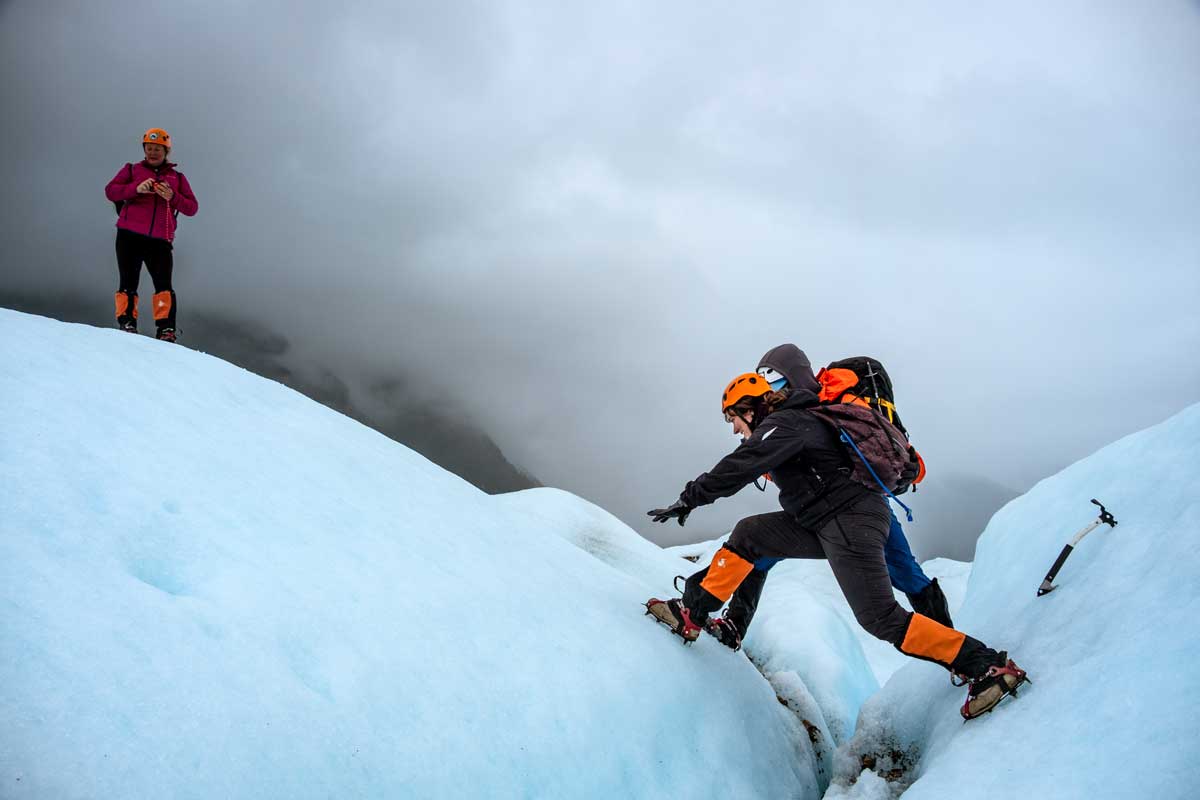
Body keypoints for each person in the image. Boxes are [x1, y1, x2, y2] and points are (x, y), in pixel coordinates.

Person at [644, 345, 1027, 720]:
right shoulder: (799, 421)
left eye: (734, 418)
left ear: (753, 406)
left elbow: (741, 464)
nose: (734, 428)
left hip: (848, 520)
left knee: (879, 616)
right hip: (827, 520)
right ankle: (691, 614)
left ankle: (987, 666)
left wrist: (690, 498)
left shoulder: (787, 423)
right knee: (751, 534)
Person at [104, 127, 199, 342]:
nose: (153, 152)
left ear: (167, 152)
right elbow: (111, 191)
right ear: (144, 149)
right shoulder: (131, 170)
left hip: (160, 240)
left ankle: (166, 330)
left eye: (158, 149)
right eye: (149, 148)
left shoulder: (178, 178)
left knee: (163, 285)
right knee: (128, 282)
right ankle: (126, 323)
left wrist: (172, 196)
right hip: (129, 235)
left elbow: (192, 208)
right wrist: (135, 189)